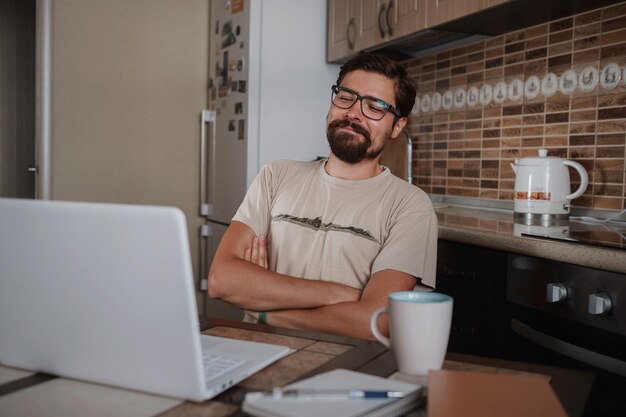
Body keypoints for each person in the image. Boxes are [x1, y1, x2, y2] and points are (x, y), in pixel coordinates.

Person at [208, 53, 437, 340]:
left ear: (398, 127)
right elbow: (221, 280)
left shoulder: (409, 205)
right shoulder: (276, 176)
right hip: (257, 351)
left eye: (375, 107)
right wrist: (339, 294)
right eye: (346, 96)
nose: (354, 113)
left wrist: (265, 308)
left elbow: (377, 321)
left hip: (346, 367)